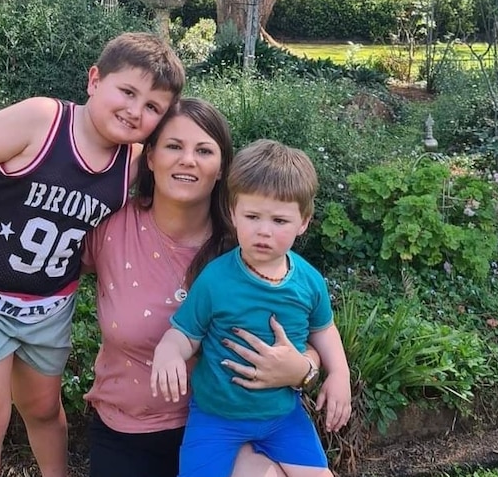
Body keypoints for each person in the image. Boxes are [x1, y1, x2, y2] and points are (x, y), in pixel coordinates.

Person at [0, 32, 184, 477]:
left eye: (153, 107)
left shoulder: (134, 163)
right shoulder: (41, 121)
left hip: (49, 307)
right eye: (128, 92)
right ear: (95, 79)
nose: (136, 111)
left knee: (42, 408)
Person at [81, 98, 324, 477]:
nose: (188, 160)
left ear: (222, 167)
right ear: (150, 156)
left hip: (225, 426)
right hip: (127, 430)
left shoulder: (246, 248)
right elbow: (46, 270)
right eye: (174, 146)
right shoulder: (112, 228)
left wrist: (303, 371)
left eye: (204, 150)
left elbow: (308, 334)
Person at [151, 139, 353, 477]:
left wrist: (340, 375)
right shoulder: (215, 279)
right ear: (233, 212)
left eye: (279, 220)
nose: (263, 231)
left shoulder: (308, 281)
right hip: (216, 418)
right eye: (252, 216)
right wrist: (169, 352)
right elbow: (186, 334)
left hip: (282, 418)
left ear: (304, 221)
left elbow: (323, 329)